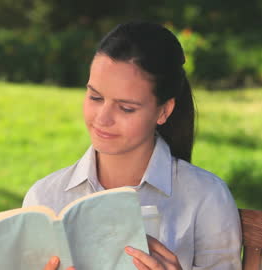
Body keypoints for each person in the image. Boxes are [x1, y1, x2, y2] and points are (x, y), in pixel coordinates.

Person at [23, 22, 242, 270]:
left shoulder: (205, 197)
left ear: (164, 111)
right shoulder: (44, 199)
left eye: (126, 108)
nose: (102, 119)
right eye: (95, 97)